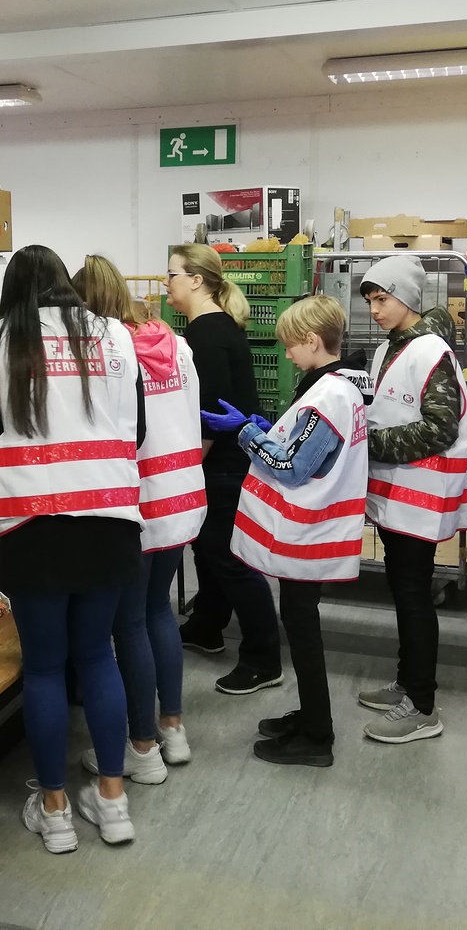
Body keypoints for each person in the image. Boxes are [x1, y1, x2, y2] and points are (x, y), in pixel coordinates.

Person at [0, 245, 146, 853]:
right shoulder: (116, 335)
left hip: (34, 523)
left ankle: (54, 811)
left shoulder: (0, 338)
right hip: (111, 517)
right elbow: (137, 429)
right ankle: (114, 803)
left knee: (44, 667)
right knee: (98, 656)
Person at [209, 296, 370, 767]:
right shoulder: (341, 385)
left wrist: (246, 432)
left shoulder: (329, 395)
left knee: (302, 629)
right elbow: (307, 444)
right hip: (316, 531)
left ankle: (317, 736)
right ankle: (310, 716)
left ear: (313, 341)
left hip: (310, 533)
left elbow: (293, 467)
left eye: (290, 345)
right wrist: (270, 427)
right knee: (300, 625)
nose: (286, 354)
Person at [72, 254, 206, 784]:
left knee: (127, 623)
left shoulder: (111, 352)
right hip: (181, 491)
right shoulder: (176, 345)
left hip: (137, 499)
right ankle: (173, 728)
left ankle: (142, 749)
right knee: (157, 614)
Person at [358, 254, 467, 744]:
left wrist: (368, 443)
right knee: (403, 590)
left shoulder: (432, 352)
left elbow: (440, 429)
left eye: (381, 299)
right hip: (396, 493)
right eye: (370, 301)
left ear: (406, 297)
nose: (374, 310)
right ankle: (407, 683)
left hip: (419, 496)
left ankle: (423, 706)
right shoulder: (389, 349)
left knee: (413, 596)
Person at [167, 244, 283, 695]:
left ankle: (263, 657)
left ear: (196, 280)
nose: (167, 283)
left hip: (223, 463)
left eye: (172, 274)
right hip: (227, 460)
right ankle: (207, 625)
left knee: (227, 557)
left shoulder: (207, 334)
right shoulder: (215, 328)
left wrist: (186, 467)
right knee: (208, 550)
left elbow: (210, 414)